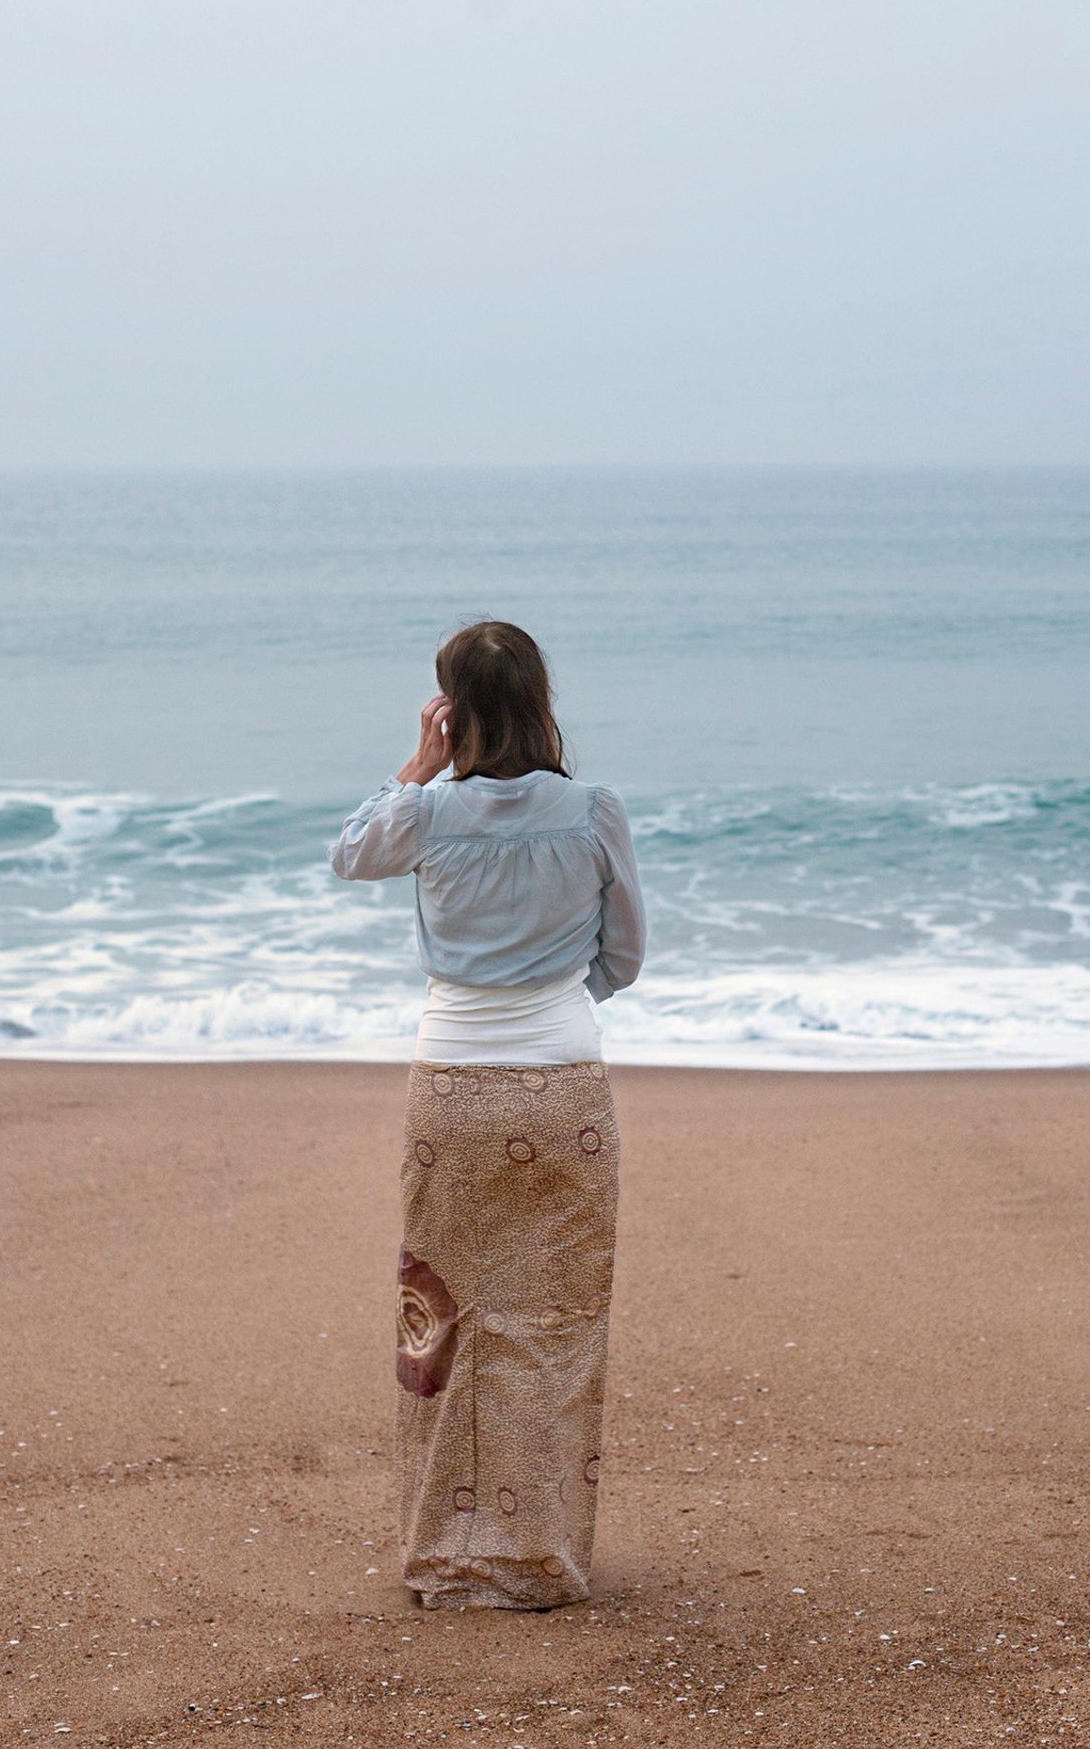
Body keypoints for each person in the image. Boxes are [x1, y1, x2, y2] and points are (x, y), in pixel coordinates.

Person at [326, 619, 647, 1611]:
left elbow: (350, 854)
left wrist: (417, 764)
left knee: (445, 1314)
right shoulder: (592, 809)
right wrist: (549, 1001)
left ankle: (448, 1558)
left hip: (452, 1090)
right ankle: (538, 1558)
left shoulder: (426, 814)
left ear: (453, 706)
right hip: (562, 1086)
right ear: (542, 699)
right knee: (556, 1321)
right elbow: (624, 957)